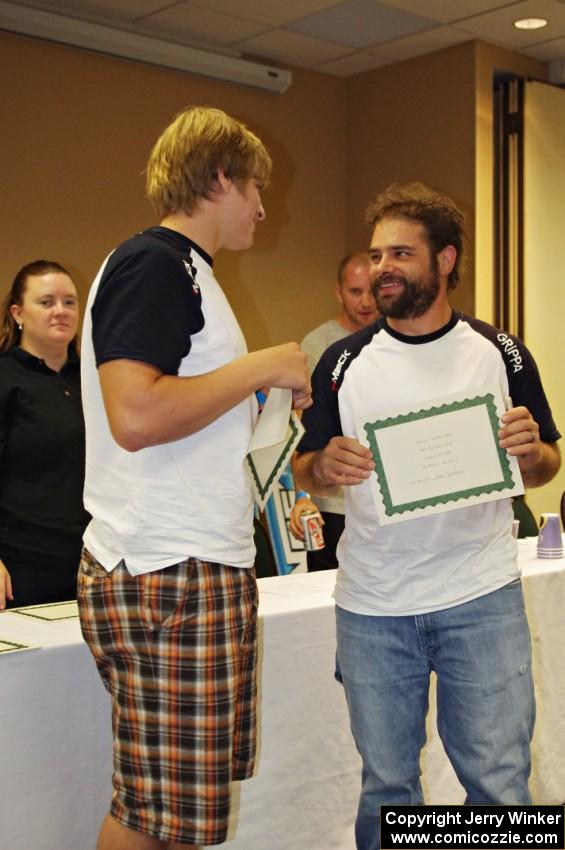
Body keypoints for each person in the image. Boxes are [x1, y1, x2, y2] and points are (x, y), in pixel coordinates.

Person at [292, 182, 561, 850]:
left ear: (444, 260)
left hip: (481, 594)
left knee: (497, 785)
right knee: (387, 788)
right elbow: (303, 465)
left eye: (400, 253)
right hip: (373, 603)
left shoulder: (499, 352)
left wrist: (530, 454)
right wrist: (322, 466)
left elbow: (545, 463)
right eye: (377, 253)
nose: (381, 267)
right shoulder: (341, 362)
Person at [78, 105, 311, 850]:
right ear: (219, 178)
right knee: (155, 814)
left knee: (170, 811)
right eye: (255, 189)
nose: (263, 207)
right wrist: (261, 366)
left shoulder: (189, 274)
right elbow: (137, 415)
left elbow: (180, 413)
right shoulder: (156, 262)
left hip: (188, 560)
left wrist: (258, 389)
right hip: (167, 565)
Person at [0, 260, 89, 609]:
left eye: (69, 302)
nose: (60, 311)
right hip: (20, 569)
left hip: (91, 566)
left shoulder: (95, 382)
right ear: (18, 313)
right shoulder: (5, 378)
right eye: (46, 302)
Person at [290, 253, 377, 570]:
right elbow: (302, 427)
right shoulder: (319, 345)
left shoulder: (395, 339)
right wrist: (303, 497)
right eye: (356, 292)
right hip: (333, 503)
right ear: (339, 293)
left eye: (372, 289)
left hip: (382, 503)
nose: (366, 301)